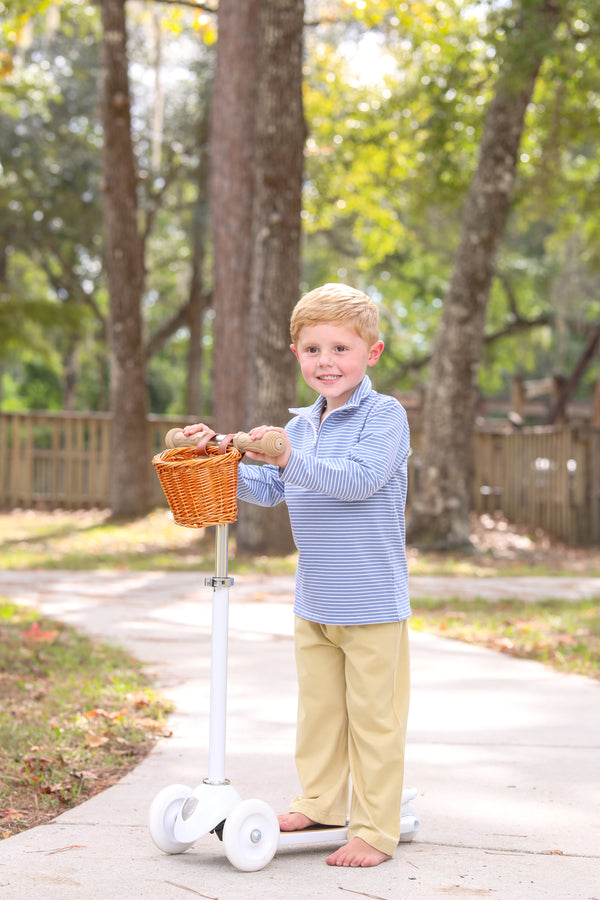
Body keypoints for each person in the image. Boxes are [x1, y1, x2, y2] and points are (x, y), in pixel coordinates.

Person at [184, 283, 411, 868]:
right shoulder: (302, 425)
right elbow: (272, 488)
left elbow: (357, 480)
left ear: (373, 353)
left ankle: (376, 828)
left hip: (372, 602)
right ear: (295, 355)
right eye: (313, 349)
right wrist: (221, 458)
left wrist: (286, 456)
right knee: (319, 713)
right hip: (315, 600)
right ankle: (321, 801)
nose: (327, 362)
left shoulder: (385, 417)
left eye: (341, 348)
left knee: (373, 721)